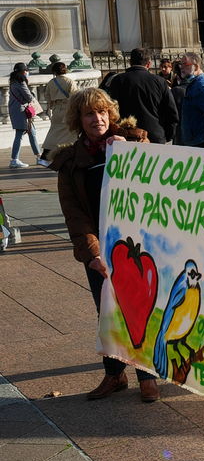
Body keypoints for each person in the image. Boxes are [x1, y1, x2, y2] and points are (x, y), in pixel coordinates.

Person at [50, 87, 162, 402]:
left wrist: (131, 152)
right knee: (107, 312)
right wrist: (93, 253)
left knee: (139, 309)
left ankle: (147, 377)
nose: (97, 119)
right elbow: (74, 214)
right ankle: (115, 375)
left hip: (138, 246)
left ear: (110, 113)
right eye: (89, 113)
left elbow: (159, 181)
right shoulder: (71, 161)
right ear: (78, 119)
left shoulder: (134, 141)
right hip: (101, 250)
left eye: (101, 112)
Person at [102, 47, 178, 143]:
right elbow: (171, 112)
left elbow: (112, 110)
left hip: (127, 135)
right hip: (155, 135)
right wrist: (168, 135)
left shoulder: (118, 80)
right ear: (149, 64)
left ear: (130, 62)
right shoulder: (159, 81)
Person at [37, 61, 77, 166]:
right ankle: (70, 155)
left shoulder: (51, 82)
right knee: (72, 132)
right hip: (68, 109)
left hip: (56, 109)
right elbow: (74, 97)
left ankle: (45, 156)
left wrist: (52, 106)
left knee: (53, 133)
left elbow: (47, 96)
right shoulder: (70, 82)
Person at [178, 52, 204, 148]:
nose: (181, 67)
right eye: (181, 64)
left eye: (185, 64)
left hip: (201, 143)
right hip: (195, 141)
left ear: (196, 67)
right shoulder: (195, 84)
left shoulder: (201, 86)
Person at [8, 62, 42, 168]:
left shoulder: (13, 82)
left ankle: (39, 157)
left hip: (16, 110)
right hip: (21, 111)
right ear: (23, 72)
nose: (27, 72)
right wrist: (32, 94)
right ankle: (14, 159)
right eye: (26, 71)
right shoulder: (21, 82)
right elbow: (29, 97)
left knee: (32, 132)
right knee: (19, 134)